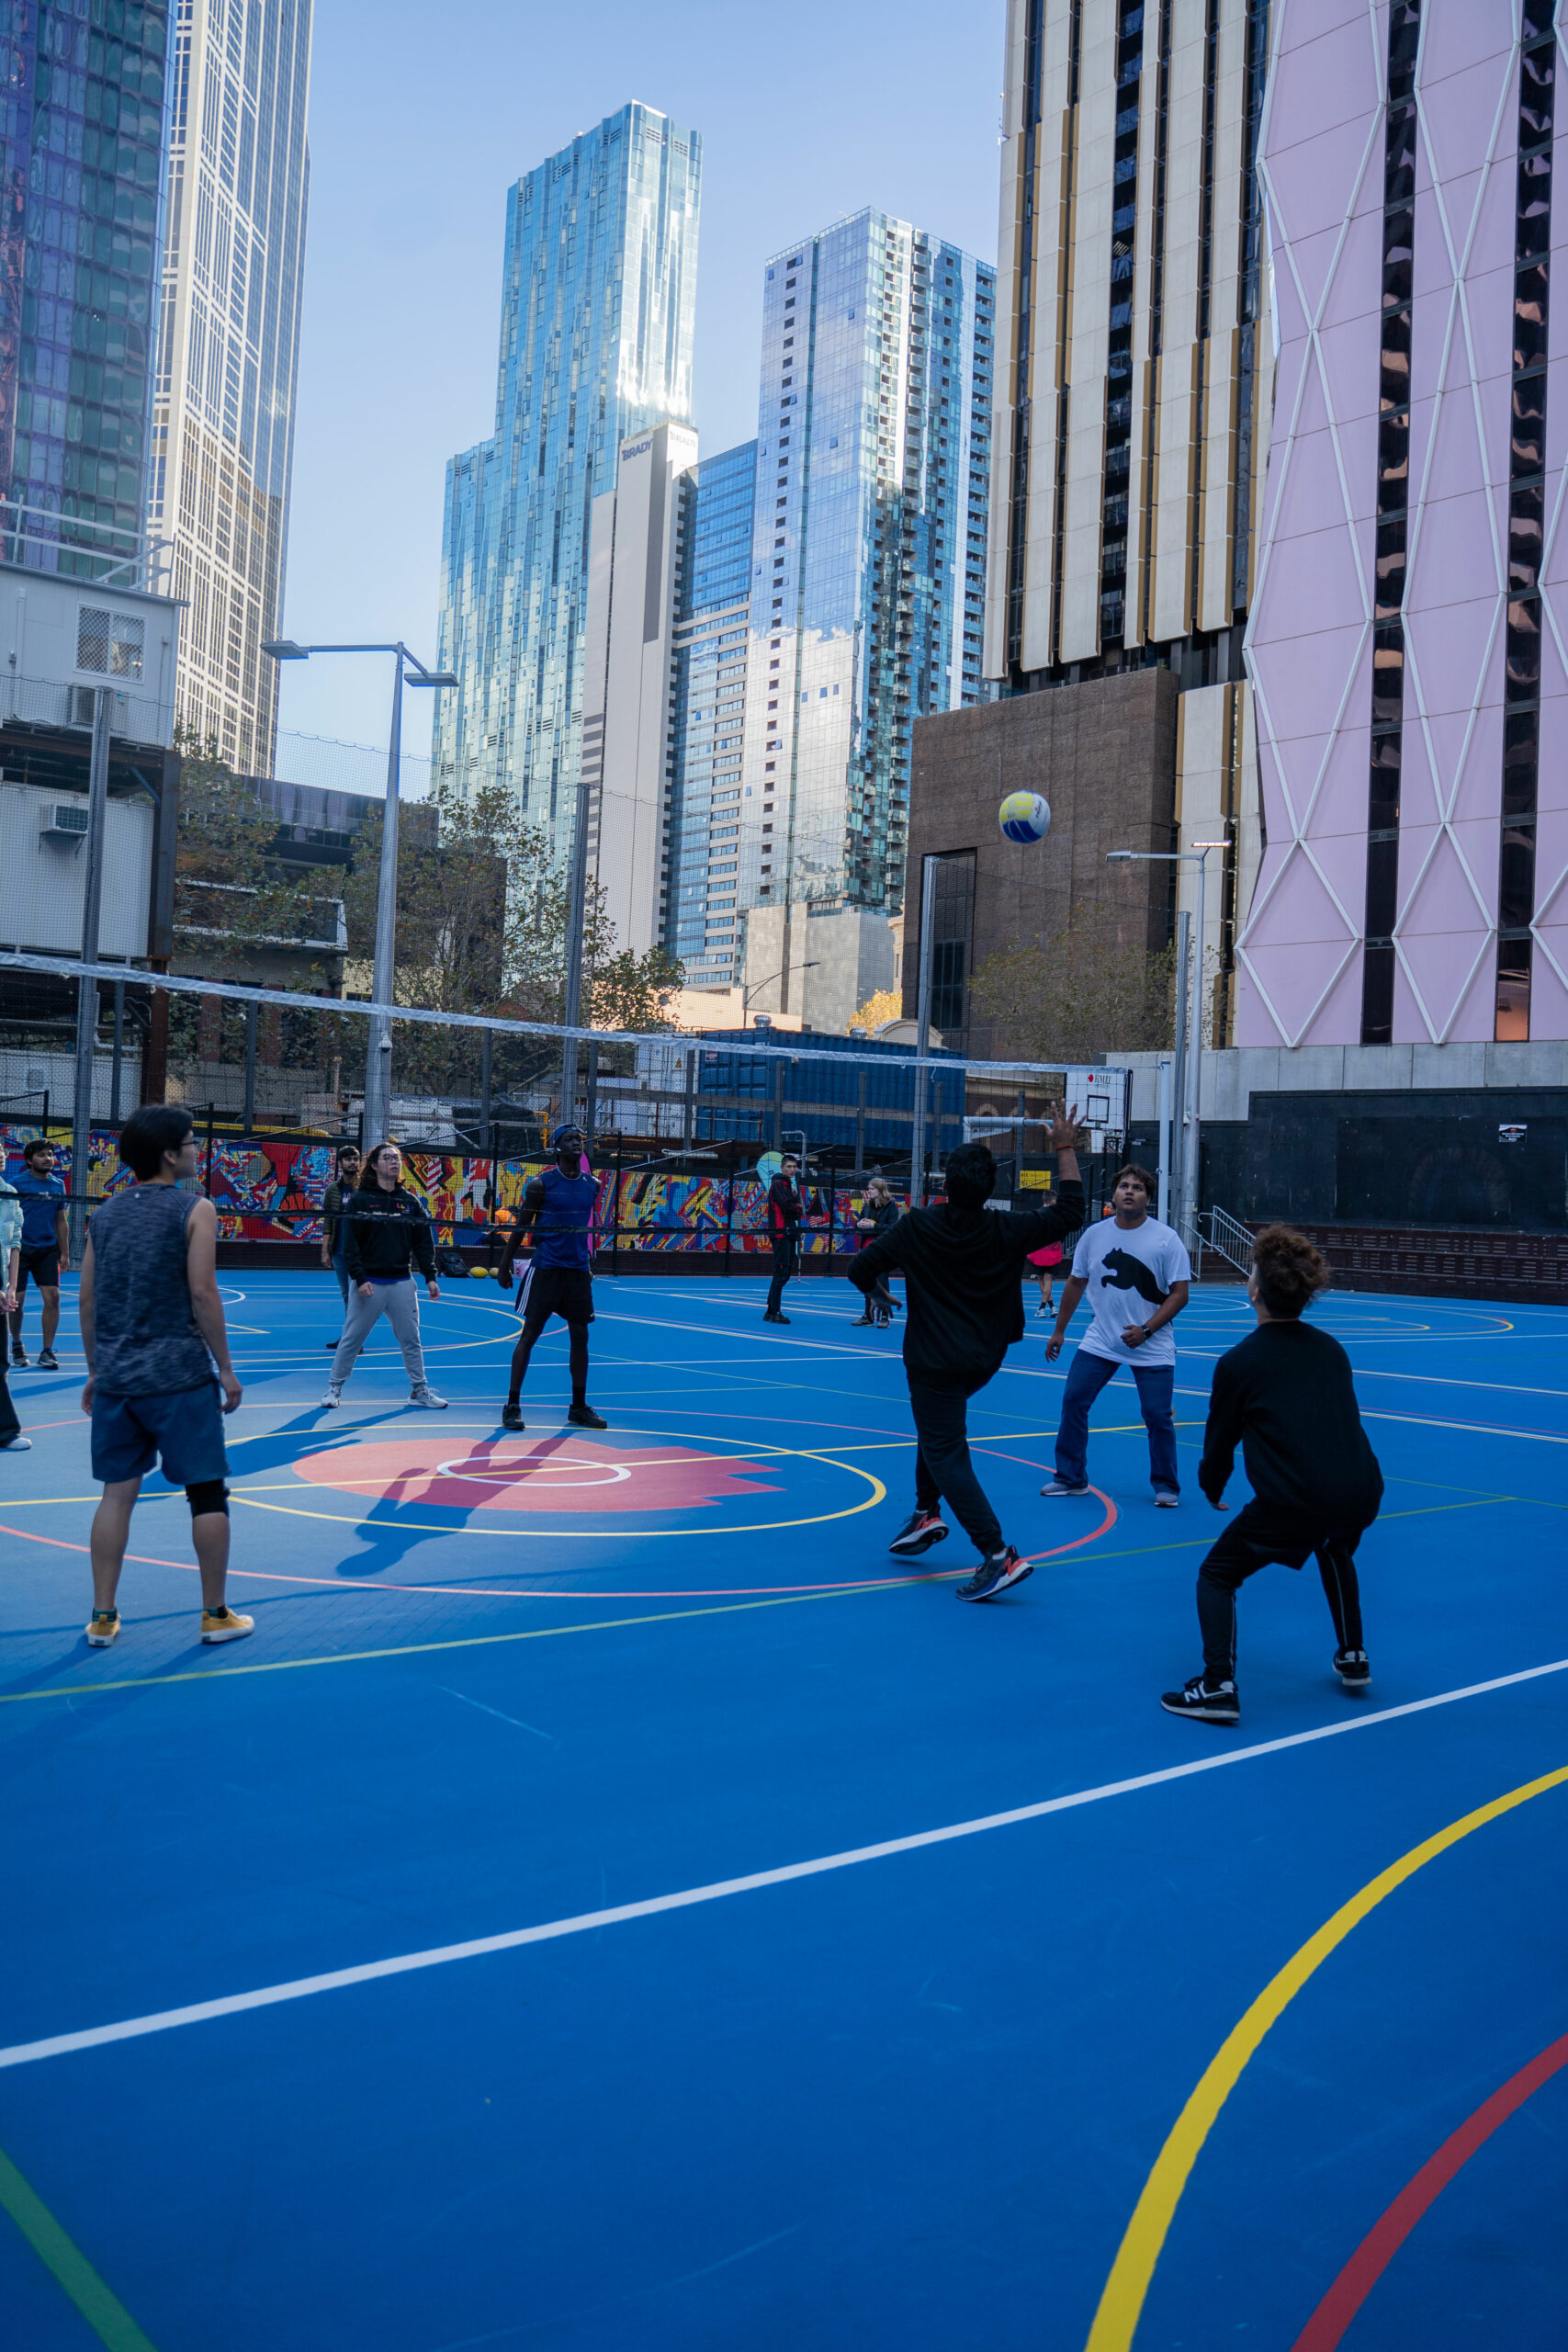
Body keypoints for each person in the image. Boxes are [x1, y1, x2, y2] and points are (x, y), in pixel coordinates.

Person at [849, 1110, 1085, 1601]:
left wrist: (876, 1291)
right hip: (984, 1358)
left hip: (934, 1362)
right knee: (937, 1430)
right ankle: (924, 1512)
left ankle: (998, 1555)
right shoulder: (1007, 1228)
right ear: (990, 1185)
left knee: (945, 1449)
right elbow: (1069, 1213)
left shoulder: (917, 1228)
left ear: (944, 1184)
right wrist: (1065, 1148)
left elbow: (860, 1266)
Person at [1161, 1225, 1382, 1724]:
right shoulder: (1331, 1350)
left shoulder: (1240, 1362)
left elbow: (1220, 1445)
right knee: (1335, 1546)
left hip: (1296, 1501)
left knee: (1217, 1574)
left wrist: (1212, 1486)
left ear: (1254, 1290)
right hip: (1360, 1492)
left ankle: (1217, 1685)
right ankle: (1353, 1655)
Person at [77, 1102, 253, 1647]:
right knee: (206, 1495)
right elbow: (203, 1293)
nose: (198, 1150)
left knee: (115, 1496)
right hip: (179, 1379)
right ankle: (215, 1613)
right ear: (169, 1153)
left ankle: (103, 1618)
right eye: (192, 1142)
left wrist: (94, 1369)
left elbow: (87, 1300)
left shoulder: (102, 1215)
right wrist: (225, 1368)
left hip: (118, 1382)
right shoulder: (195, 1209)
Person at [1043, 1163, 1190, 1507]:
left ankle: (1166, 1485)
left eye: (1137, 1188)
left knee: (1157, 1415)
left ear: (1148, 1198)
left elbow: (1180, 1293)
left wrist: (1147, 1330)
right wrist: (1059, 1331)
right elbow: (1077, 1282)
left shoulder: (1166, 1240)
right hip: (1102, 1339)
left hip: (1151, 1342)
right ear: (1113, 1194)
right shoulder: (1095, 1235)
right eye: (1124, 1185)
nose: (1129, 1191)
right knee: (1074, 1400)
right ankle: (1070, 1477)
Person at [498, 1125, 606, 1431]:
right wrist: (505, 1266)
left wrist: (586, 1264)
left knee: (580, 1337)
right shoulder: (540, 1185)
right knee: (529, 1336)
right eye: (570, 1139)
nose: (577, 1143)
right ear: (556, 1147)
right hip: (546, 1269)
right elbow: (520, 1228)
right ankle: (512, 1405)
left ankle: (578, 1407)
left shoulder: (593, 1185)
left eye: (580, 1139)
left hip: (577, 1272)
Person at [322, 1142, 446, 1409]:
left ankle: (420, 1391)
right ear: (375, 1165)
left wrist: (430, 1276)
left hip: (402, 1282)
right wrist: (360, 1277)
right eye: (387, 1158)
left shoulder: (410, 1201)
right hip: (369, 1284)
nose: (394, 1162)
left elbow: (423, 1241)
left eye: (397, 1158)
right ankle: (334, 1389)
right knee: (352, 1339)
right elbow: (351, 1244)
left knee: (411, 1339)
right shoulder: (360, 1201)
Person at [7, 1136, 69, 1370]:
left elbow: (60, 1219)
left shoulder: (57, 1185)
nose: (48, 1159)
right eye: (42, 1155)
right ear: (30, 1160)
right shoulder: (17, 1184)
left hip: (47, 1250)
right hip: (21, 1249)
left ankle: (46, 1351)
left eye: (50, 1155)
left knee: (53, 1298)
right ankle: (16, 1343)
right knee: (18, 1302)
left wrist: (65, 1253)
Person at [319, 1144, 361, 1345]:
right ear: (340, 1163)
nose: (352, 1162)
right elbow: (328, 1221)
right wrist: (325, 1250)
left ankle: (355, 1339)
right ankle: (350, 1336)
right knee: (347, 1295)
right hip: (339, 1251)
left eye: (355, 1159)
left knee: (357, 1297)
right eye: (348, 1159)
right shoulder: (333, 1190)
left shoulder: (365, 1190)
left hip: (360, 1253)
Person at [849, 1176, 901, 1328]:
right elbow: (859, 1221)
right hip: (867, 1249)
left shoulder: (891, 1206)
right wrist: (859, 1223)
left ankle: (885, 1317)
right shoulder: (868, 1205)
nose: (869, 1191)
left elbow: (892, 1227)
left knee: (882, 1282)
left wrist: (874, 1226)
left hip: (882, 1250)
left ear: (880, 1190)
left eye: (872, 1188)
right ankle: (868, 1316)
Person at [0, 1167, 27, 1452]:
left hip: (2, 1283)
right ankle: (6, 1430)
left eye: (2, 1153)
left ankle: (5, 1431)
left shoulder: (10, 1194)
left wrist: (10, 1286)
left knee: (1, 1361)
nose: (1, 1156)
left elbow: (14, 1243)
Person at [763, 1152, 806, 1324]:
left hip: (789, 1233)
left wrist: (796, 1207)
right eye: (788, 1166)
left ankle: (770, 1310)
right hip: (781, 1233)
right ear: (782, 1168)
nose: (792, 1169)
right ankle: (775, 1312)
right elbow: (789, 1207)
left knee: (784, 1273)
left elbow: (794, 1207)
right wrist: (797, 1208)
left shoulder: (789, 1185)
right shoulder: (778, 1184)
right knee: (781, 1273)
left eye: (794, 1167)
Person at [1030, 1237, 1064, 1318]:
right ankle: (1052, 1307)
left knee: (1041, 1279)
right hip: (1054, 1253)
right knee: (1048, 1280)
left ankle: (1042, 1308)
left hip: (1039, 1253)